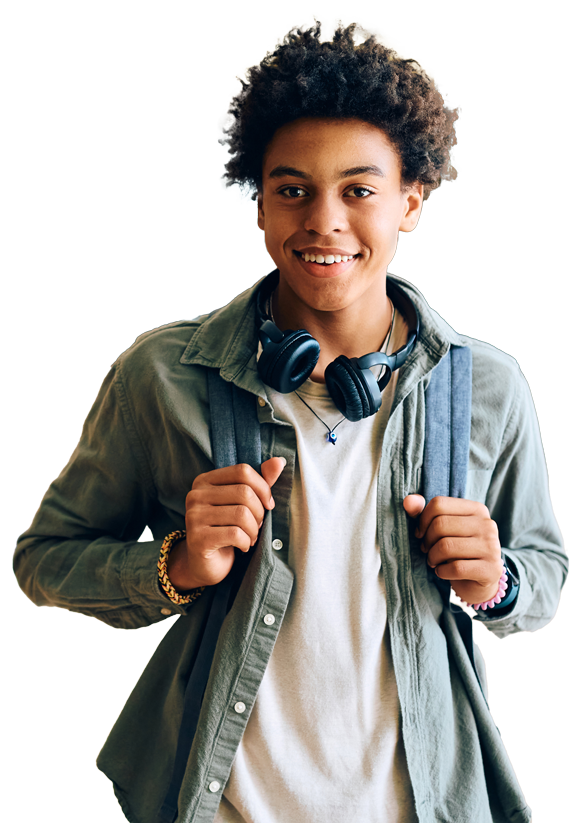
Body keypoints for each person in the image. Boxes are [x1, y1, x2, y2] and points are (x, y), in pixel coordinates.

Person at [13, 21, 567, 823]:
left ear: (410, 199)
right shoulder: (163, 375)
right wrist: (174, 563)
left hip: (420, 802)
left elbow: (544, 569)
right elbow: (45, 556)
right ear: (261, 202)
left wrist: (497, 579)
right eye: (293, 188)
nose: (325, 220)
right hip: (224, 802)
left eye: (360, 189)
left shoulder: (483, 384)